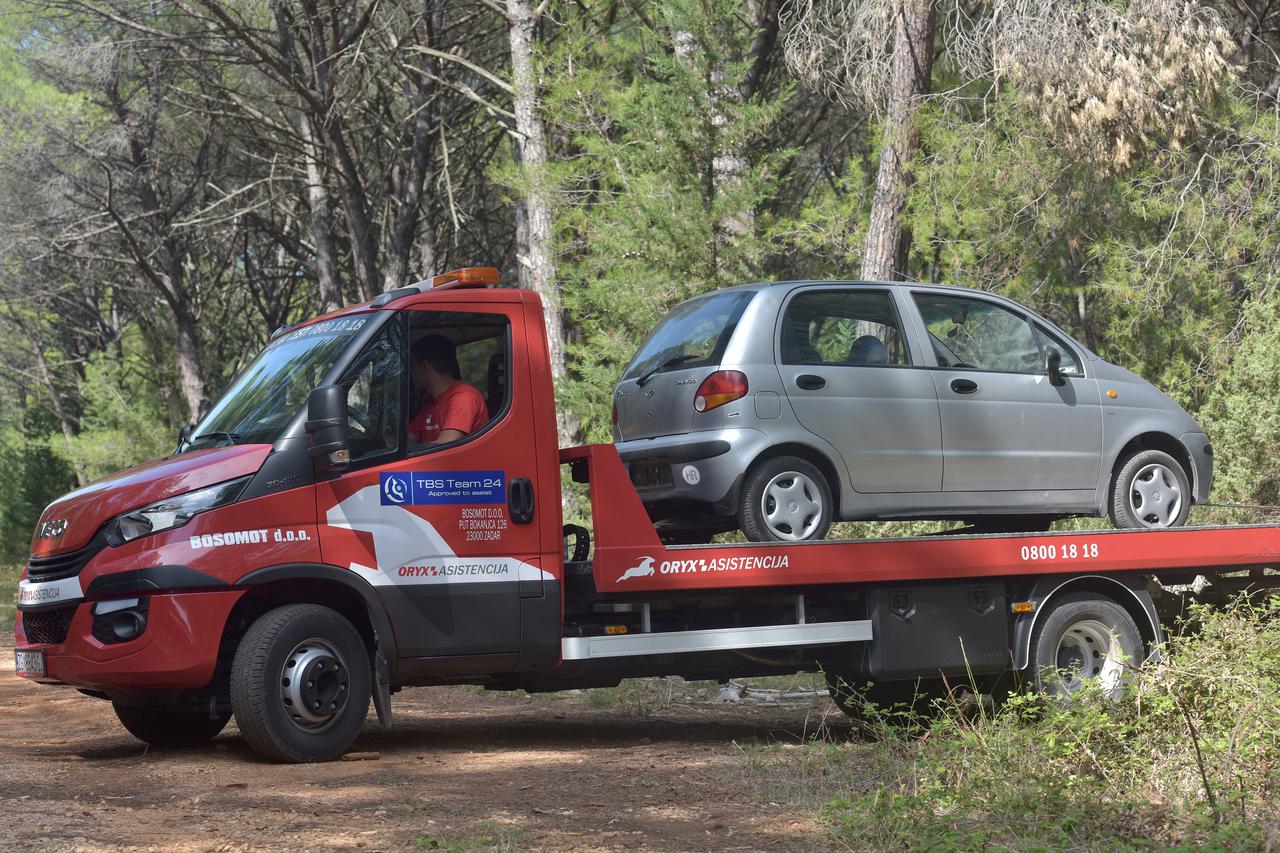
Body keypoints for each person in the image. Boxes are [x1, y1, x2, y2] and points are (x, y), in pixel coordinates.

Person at [408, 334, 488, 444]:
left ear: (424, 366)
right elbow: (407, 439)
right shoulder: (430, 403)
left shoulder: (464, 396)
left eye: (412, 365)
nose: (410, 373)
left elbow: (447, 444)